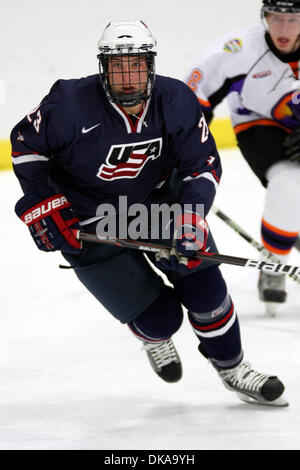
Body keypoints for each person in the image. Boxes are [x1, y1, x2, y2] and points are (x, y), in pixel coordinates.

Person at [11, 20, 287, 406]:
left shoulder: (175, 100)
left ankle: (233, 368)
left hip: (157, 206)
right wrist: (45, 202)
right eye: (118, 66)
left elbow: (202, 165)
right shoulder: (69, 104)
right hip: (88, 219)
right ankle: (153, 338)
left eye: (136, 65)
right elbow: (26, 147)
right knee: (160, 320)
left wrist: (191, 215)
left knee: (207, 292)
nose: (127, 76)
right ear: (103, 67)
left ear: (151, 65)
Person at [186, 0, 300, 316]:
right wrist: (182, 151)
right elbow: (192, 101)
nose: (283, 29)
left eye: (293, 20)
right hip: (258, 123)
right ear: (264, 17)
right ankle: (274, 262)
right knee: (289, 184)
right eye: (276, 19)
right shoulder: (236, 51)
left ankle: (288, 229)